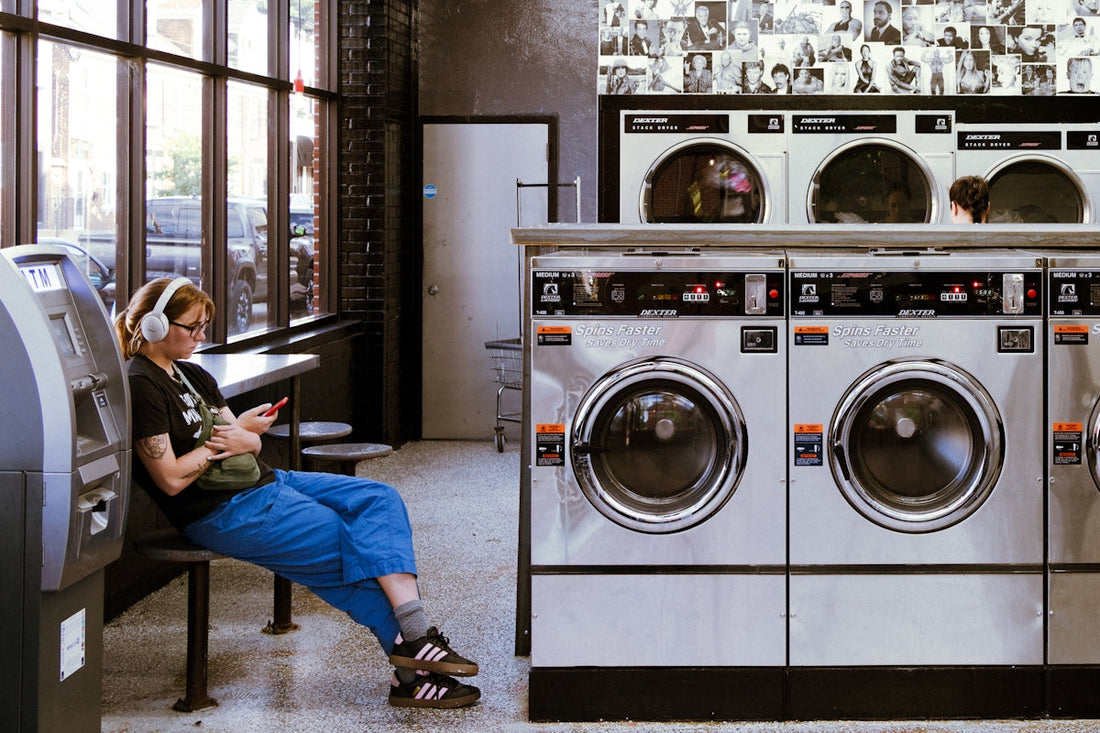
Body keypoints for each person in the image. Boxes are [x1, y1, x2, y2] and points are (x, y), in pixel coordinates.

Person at [117, 277, 481, 710]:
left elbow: (247, 445)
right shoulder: (142, 385)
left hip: (265, 480)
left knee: (379, 500)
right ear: (156, 325)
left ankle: (415, 641)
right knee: (347, 545)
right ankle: (415, 672)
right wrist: (230, 443)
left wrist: (245, 438)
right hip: (220, 511)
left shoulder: (192, 374)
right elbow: (171, 478)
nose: (200, 337)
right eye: (192, 327)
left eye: (204, 327)